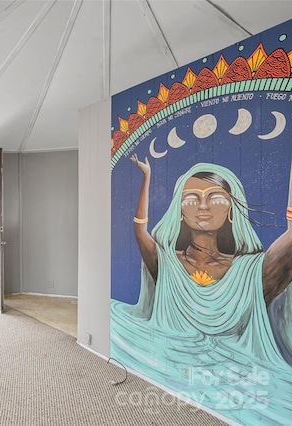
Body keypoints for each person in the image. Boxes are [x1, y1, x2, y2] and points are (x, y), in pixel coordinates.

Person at [110, 158, 292, 424]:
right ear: (180, 210)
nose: (203, 206)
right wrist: (147, 178)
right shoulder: (168, 262)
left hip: (236, 366)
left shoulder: (250, 271)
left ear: (231, 208)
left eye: (215, 198)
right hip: (167, 348)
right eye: (192, 198)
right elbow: (140, 229)